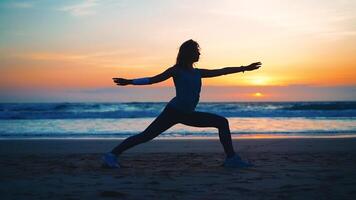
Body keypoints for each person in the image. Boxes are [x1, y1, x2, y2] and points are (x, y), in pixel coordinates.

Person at [103, 39, 261, 168]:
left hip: (188, 114)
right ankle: (112, 155)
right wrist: (130, 82)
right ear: (188, 53)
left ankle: (231, 159)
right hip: (173, 112)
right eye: (196, 51)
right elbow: (153, 79)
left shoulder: (198, 72)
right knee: (146, 136)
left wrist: (244, 68)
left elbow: (222, 70)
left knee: (222, 122)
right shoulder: (176, 70)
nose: (199, 54)